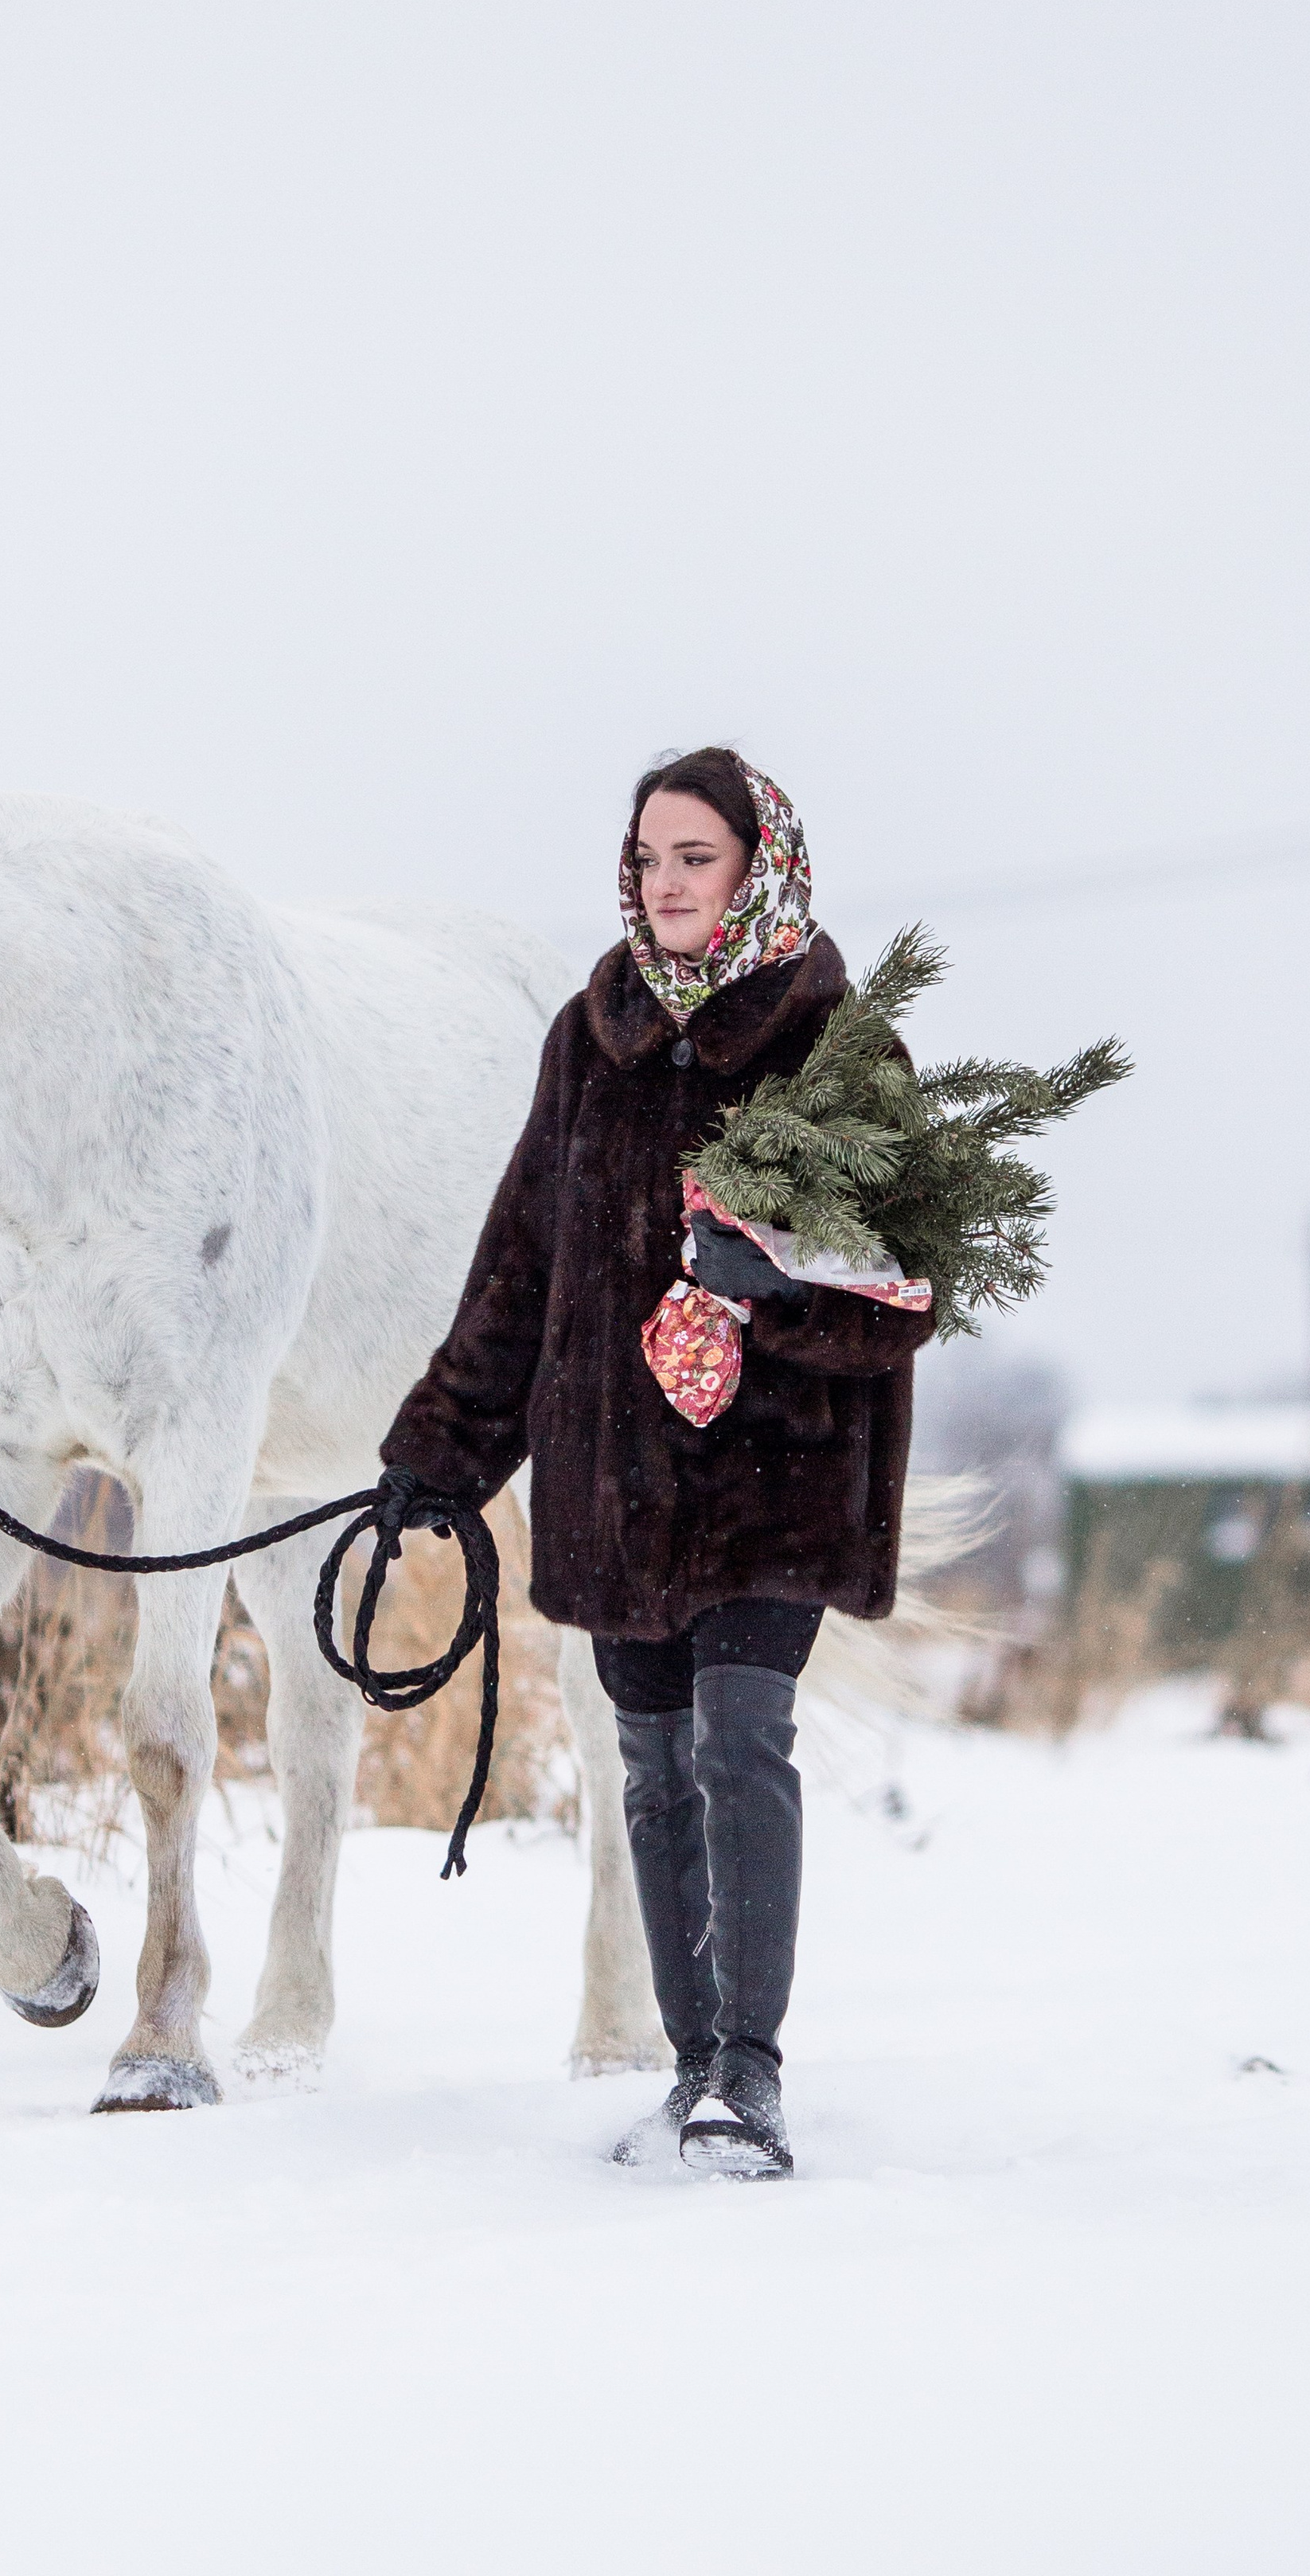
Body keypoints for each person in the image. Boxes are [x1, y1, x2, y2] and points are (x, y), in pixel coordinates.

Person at [376, 747, 930, 2175]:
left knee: (740, 1738)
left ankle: (750, 2073)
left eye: (697, 856)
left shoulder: (837, 1044)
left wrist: (777, 1283)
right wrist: (442, 1449)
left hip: (778, 1476)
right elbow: (521, 1263)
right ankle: (692, 2072)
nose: (668, 882)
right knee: (654, 1764)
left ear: (757, 866)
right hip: (616, 1475)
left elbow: (906, 1284)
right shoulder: (591, 1035)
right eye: (649, 857)